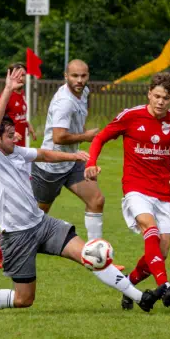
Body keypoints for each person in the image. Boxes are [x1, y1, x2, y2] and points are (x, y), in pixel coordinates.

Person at [0, 67, 158, 314]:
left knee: (90, 255)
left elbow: (45, 154)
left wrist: (75, 156)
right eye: (10, 135)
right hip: (17, 235)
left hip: (42, 224)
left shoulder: (16, 152)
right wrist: (8, 89)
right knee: (24, 299)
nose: (16, 137)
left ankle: (141, 297)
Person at [84, 72, 170, 311]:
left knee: (162, 251)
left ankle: (128, 285)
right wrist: (91, 163)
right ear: (149, 94)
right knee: (149, 228)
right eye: (157, 96)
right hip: (136, 187)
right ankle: (165, 286)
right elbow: (100, 138)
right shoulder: (130, 116)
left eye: (166, 98)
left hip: (164, 191)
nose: (161, 102)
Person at [30, 59, 105, 241]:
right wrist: (85, 136)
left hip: (71, 161)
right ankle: (6, 242)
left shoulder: (84, 91)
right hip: (50, 166)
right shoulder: (65, 102)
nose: (79, 80)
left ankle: (95, 250)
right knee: (36, 218)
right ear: (66, 76)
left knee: (96, 200)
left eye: (83, 76)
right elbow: (58, 137)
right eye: (74, 76)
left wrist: (82, 133)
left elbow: (79, 118)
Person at [0, 62, 37, 226]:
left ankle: (21, 212)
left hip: (21, 146)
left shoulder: (21, 94)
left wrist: (27, 125)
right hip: (7, 147)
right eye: (18, 75)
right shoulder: (5, 96)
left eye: (23, 75)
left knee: (24, 179)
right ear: (10, 76)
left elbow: (18, 115)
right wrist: (10, 133)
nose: (22, 78)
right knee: (8, 180)